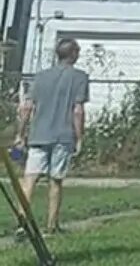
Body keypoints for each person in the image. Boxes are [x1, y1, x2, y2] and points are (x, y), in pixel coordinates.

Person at [14, 38, 90, 234]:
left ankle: (22, 222)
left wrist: (20, 134)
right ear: (72, 54)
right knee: (55, 180)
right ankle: (52, 225)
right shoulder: (80, 77)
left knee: (29, 179)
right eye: (78, 51)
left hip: (38, 134)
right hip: (63, 136)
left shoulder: (40, 77)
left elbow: (26, 107)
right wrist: (79, 137)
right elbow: (77, 110)